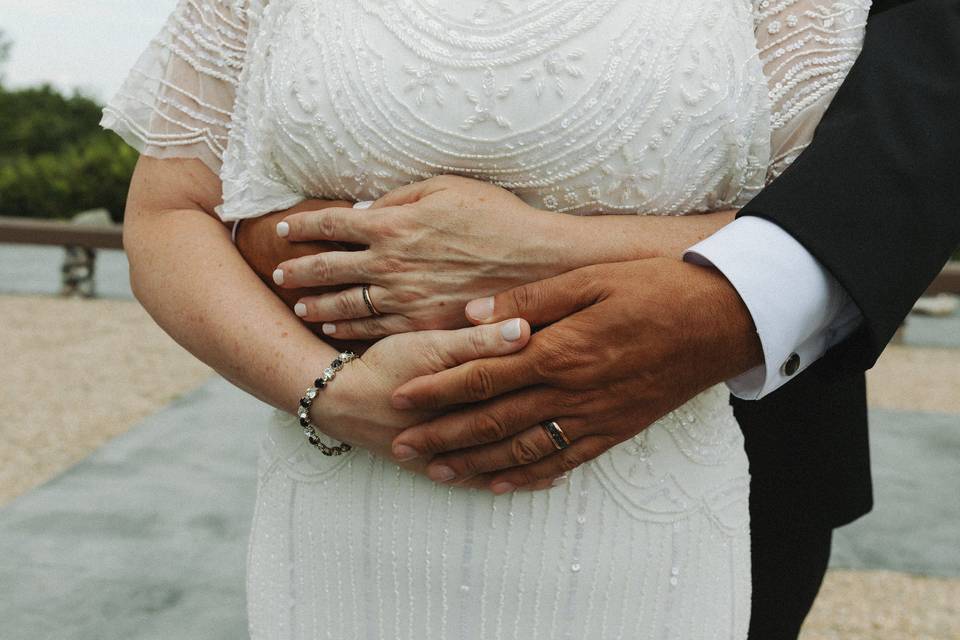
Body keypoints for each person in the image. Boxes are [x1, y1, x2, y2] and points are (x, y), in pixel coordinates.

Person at [100, 0, 892, 638]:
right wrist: (334, 392)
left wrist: (543, 250)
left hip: (641, 528)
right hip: (343, 518)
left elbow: (832, 223)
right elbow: (170, 211)